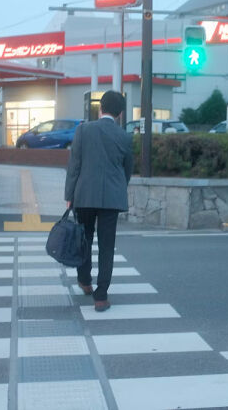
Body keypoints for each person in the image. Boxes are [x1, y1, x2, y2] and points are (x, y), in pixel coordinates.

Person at [64, 90, 133, 312]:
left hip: (84, 195)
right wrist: (118, 187)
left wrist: (69, 195)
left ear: (100, 108)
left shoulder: (83, 130)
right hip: (111, 198)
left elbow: (74, 165)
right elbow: (127, 169)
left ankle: (85, 281)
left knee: (84, 239)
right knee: (107, 246)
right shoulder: (124, 136)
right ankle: (101, 297)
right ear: (120, 113)